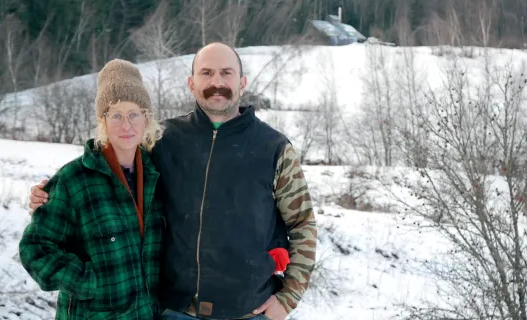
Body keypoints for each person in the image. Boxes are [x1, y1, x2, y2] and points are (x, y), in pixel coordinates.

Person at [29, 43, 317, 320]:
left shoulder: (274, 148)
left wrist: (287, 298)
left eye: (226, 73)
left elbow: (302, 223)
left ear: (242, 82)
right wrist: (51, 198)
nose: (217, 81)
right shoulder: (163, 140)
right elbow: (112, 167)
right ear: (191, 84)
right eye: (206, 73)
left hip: (248, 312)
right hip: (175, 311)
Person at [19, 59, 165, 319]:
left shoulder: (157, 175)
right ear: (103, 120)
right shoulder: (73, 179)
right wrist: (89, 283)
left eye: (134, 114)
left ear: (146, 118)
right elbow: (35, 247)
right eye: (116, 115)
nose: (126, 124)